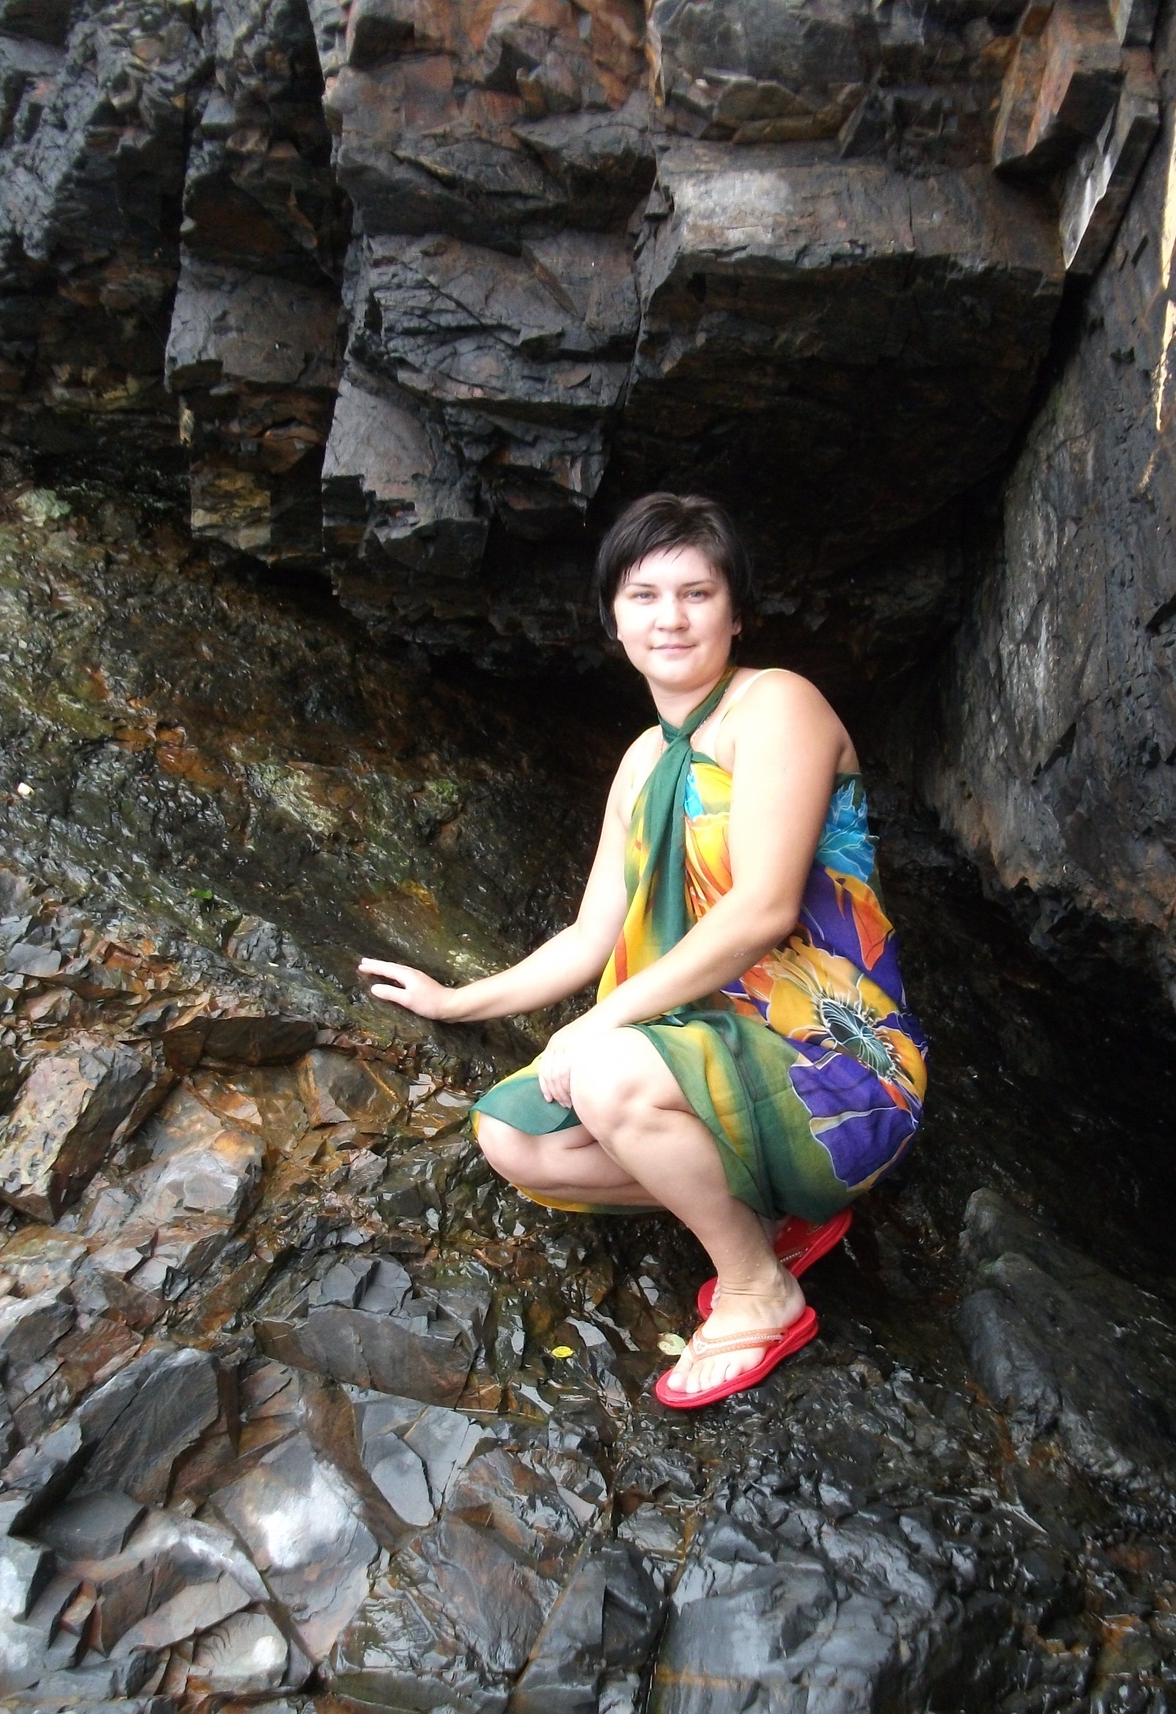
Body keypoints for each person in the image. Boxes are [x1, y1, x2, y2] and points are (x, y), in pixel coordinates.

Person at [359, 494, 927, 1407]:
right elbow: (593, 936)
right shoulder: (641, 762)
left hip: (834, 1063)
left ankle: (757, 1289)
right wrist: (452, 1000)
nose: (671, 618)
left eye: (698, 594)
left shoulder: (777, 705)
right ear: (613, 620)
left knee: (605, 1071)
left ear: (736, 614)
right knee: (513, 1138)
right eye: (644, 596)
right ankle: (766, 1217)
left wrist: (596, 1028)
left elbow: (763, 909)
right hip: (708, 1047)